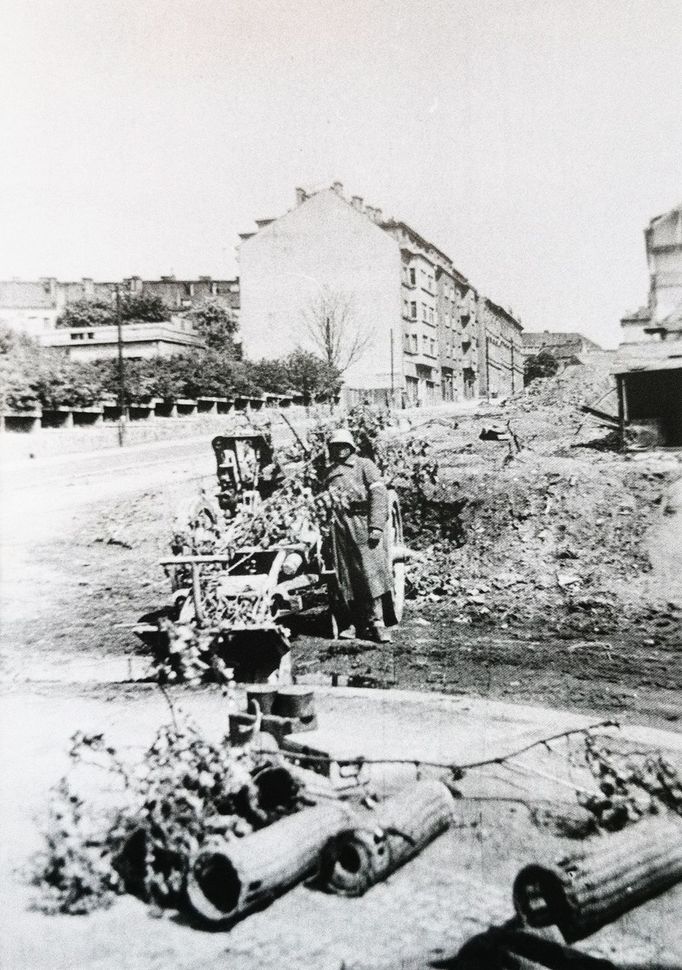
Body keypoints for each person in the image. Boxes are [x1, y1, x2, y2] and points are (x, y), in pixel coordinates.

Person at [324, 428, 394, 643]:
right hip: (338, 528)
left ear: (351, 447)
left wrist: (376, 526)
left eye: (344, 445)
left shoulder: (364, 465)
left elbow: (379, 494)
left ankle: (377, 623)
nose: (340, 450)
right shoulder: (328, 471)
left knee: (369, 575)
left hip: (361, 524)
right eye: (335, 446)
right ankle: (351, 624)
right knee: (343, 578)